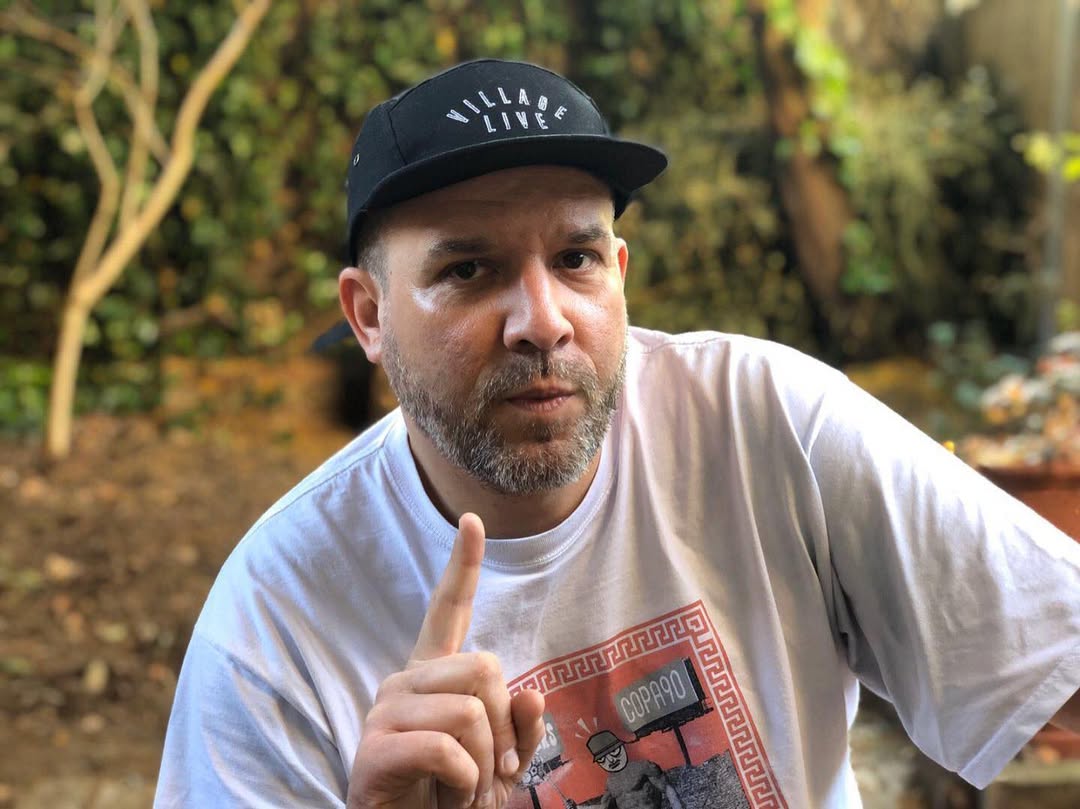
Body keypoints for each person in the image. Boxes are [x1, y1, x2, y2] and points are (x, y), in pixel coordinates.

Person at [154, 58, 1080, 809]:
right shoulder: (276, 617)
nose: (543, 319)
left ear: (621, 273)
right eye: (469, 268)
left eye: (575, 258)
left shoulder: (765, 424)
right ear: (368, 316)